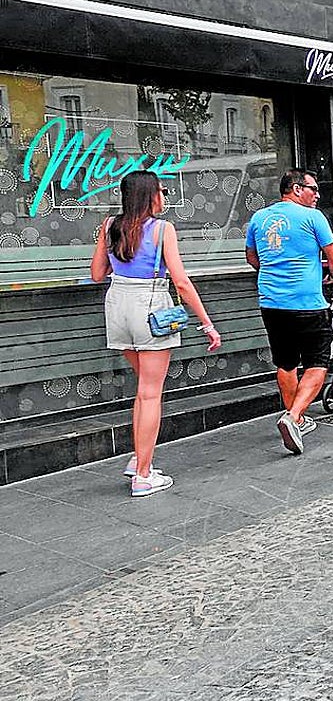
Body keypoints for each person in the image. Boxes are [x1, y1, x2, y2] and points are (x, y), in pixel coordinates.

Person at [90, 170, 221, 497]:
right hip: (150, 304)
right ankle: (144, 476)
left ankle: (139, 459)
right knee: (150, 393)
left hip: (117, 305)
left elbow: (96, 274)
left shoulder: (109, 226)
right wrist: (207, 322)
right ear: (149, 195)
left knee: (143, 390)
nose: (164, 196)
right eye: (162, 190)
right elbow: (181, 282)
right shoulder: (163, 229)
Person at [245, 168, 333, 455]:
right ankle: (293, 416)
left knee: (286, 363)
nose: (317, 195)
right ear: (296, 188)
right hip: (307, 303)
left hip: (271, 303)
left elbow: (252, 257)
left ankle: (296, 419)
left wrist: (275, 273)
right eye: (313, 189)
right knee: (317, 362)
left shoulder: (259, 218)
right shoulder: (313, 217)